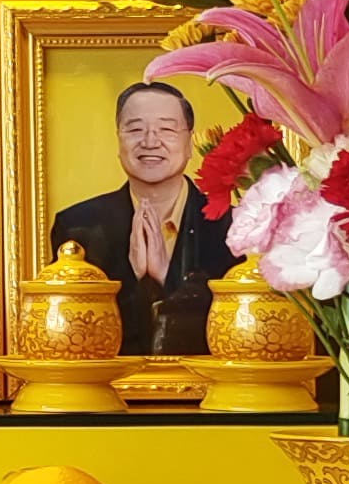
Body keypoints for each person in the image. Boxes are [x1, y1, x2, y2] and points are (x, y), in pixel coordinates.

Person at [49, 80, 234, 356]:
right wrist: (135, 282)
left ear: (189, 142)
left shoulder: (232, 227)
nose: (150, 141)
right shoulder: (80, 227)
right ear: (119, 139)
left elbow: (234, 331)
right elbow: (72, 332)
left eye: (167, 129)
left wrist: (166, 279)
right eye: (135, 129)